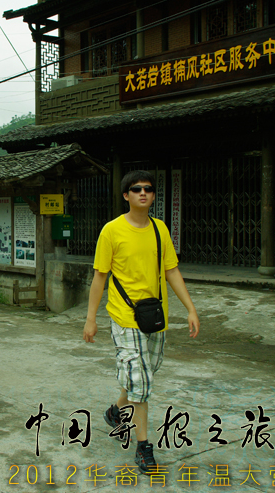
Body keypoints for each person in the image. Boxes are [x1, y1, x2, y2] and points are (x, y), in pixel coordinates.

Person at [83, 170, 200, 473]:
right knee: (141, 380)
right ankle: (143, 447)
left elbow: (171, 270)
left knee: (145, 374)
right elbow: (100, 277)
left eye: (148, 188)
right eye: (136, 189)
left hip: (155, 315)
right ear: (126, 195)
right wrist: (91, 318)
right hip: (124, 316)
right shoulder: (111, 231)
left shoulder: (160, 229)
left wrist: (190, 308)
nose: (143, 193)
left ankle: (116, 410)